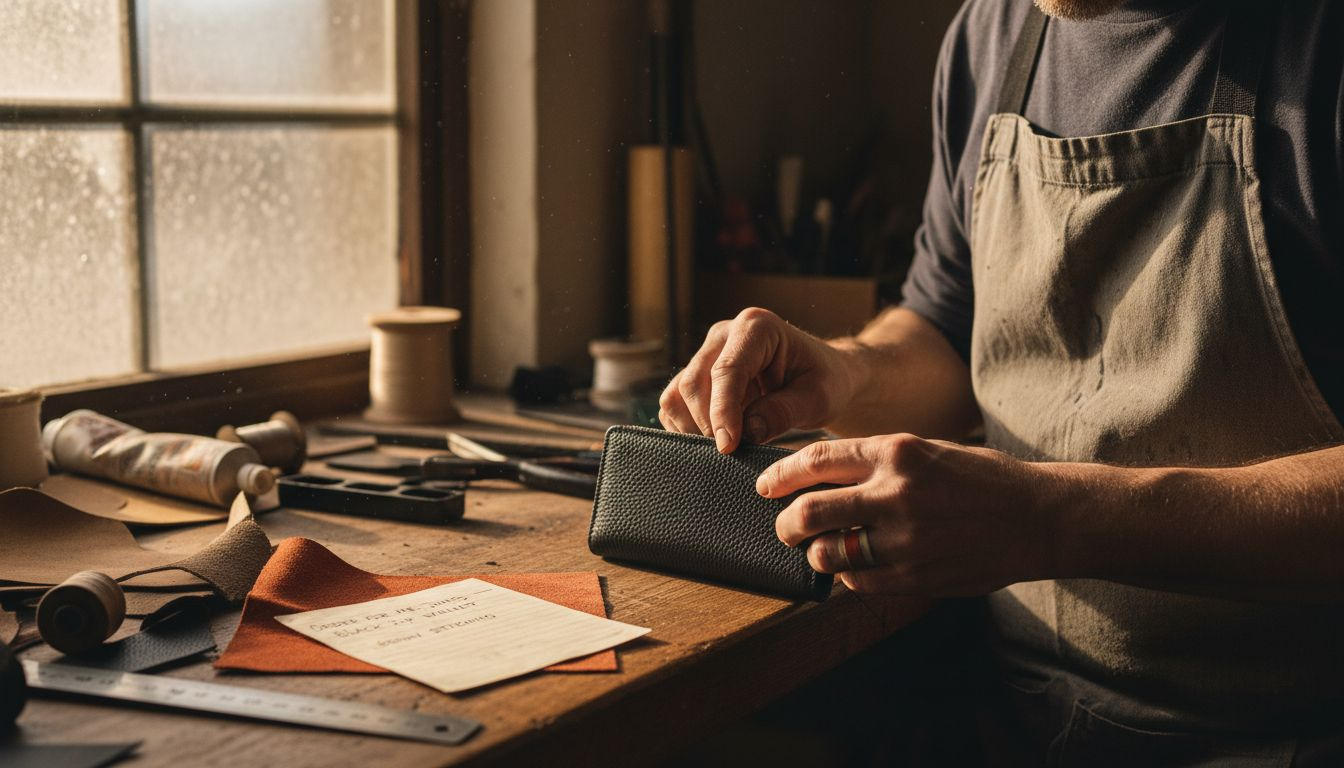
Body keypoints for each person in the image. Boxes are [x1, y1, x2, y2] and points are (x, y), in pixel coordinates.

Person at [659, 0, 1344, 763]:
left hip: (1287, 734)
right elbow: (950, 331)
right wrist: (845, 373)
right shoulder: (992, 34)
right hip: (1021, 710)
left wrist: (1050, 521)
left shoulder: (1317, 42)